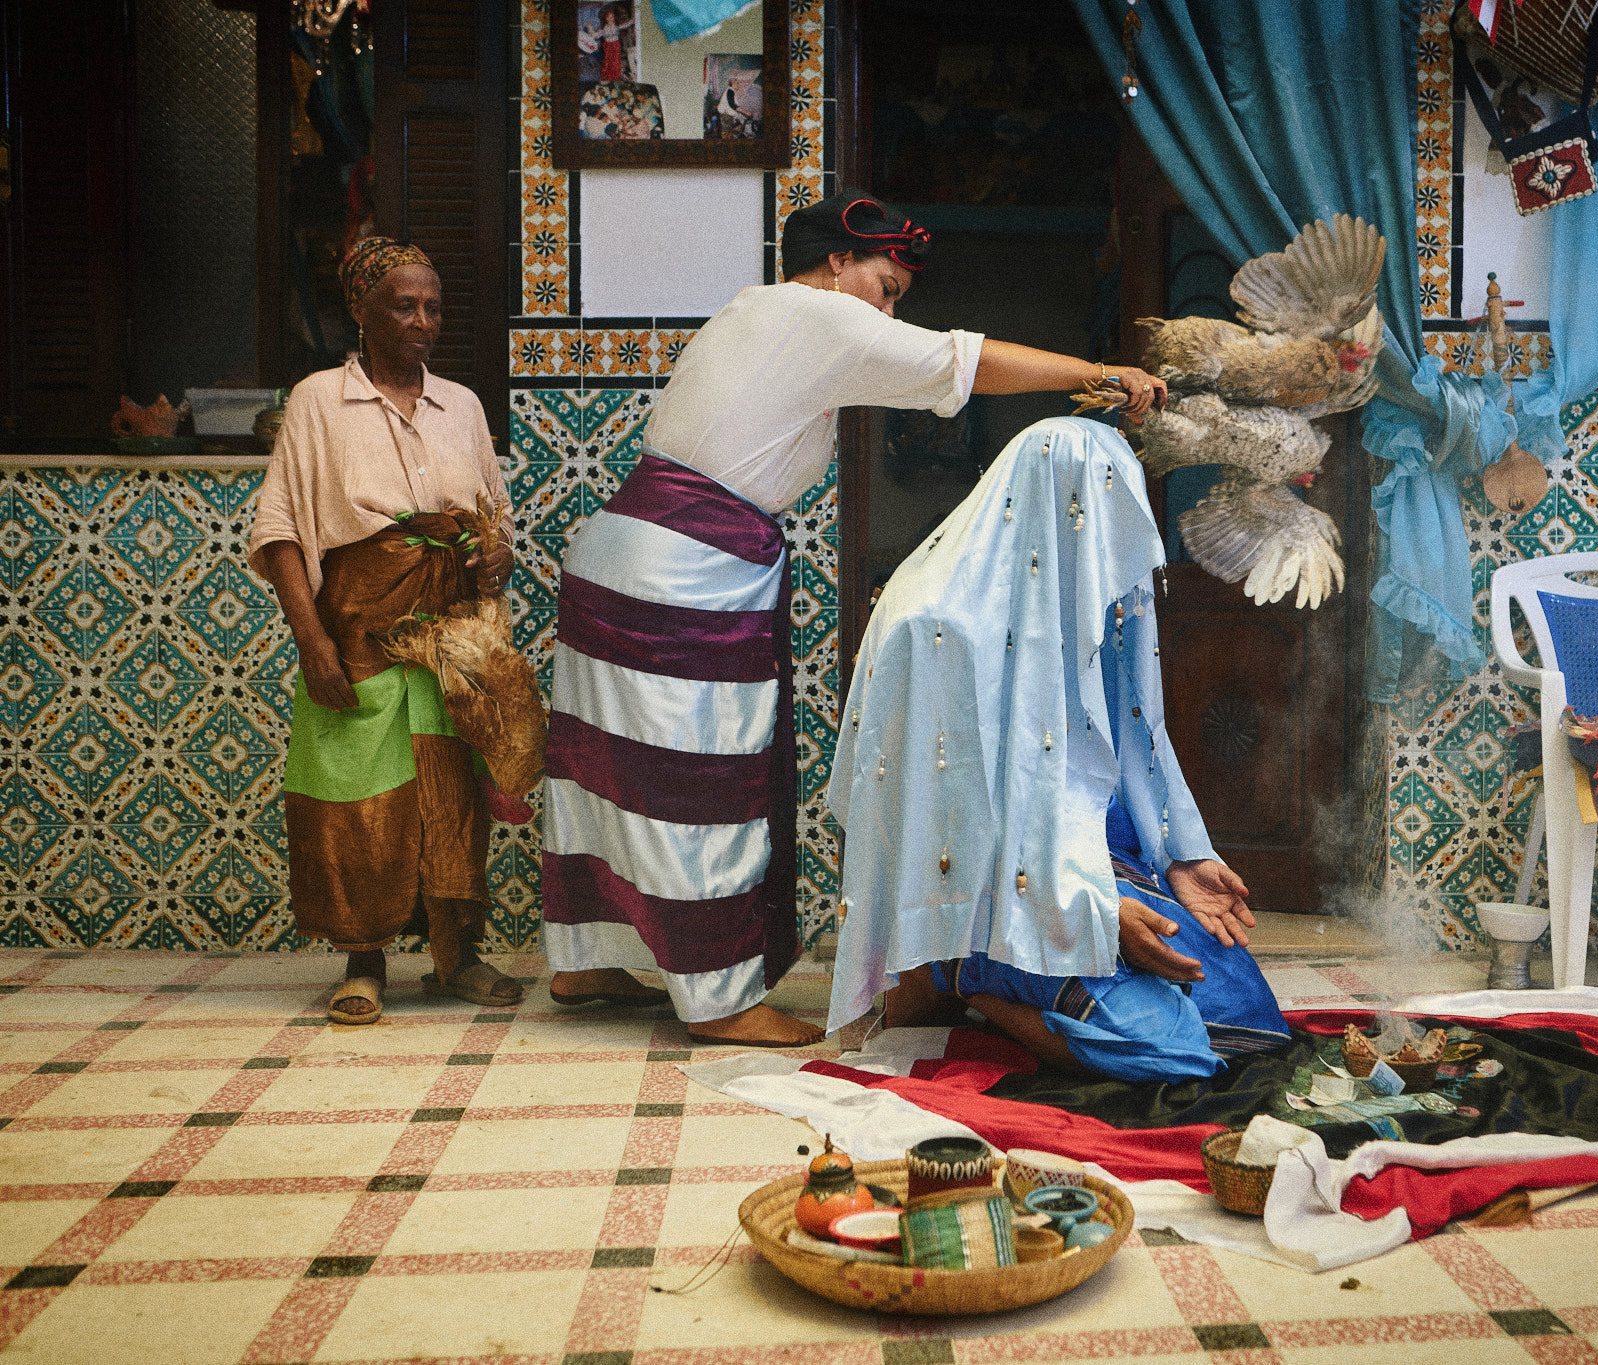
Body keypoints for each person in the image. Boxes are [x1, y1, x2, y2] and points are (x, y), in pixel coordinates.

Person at [542, 192, 1169, 1047]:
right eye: (885, 284)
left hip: (618, 554)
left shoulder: (751, 309)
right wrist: (1098, 375)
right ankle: (722, 1002)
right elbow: (962, 361)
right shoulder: (814, 312)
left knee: (609, 770)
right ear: (837, 260)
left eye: (898, 298)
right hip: (682, 572)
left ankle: (585, 956)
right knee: (701, 784)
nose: (887, 309)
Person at [826, 416, 1291, 1081]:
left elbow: (1135, 734)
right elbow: (934, 832)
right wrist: (1090, 914)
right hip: (977, 891)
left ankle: (1023, 969)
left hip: (1082, 861)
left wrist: (1178, 853)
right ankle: (964, 970)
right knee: (1170, 1051)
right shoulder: (933, 626)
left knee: (1247, 1018)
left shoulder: (1091, 595)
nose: (1109, 552)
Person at [249, 238, 521, 1026]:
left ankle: (456, 955)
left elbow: (496, 520)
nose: (423, 321)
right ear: (361, 311)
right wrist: (313, 643)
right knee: (358, 793)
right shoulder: (316, 402)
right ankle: (363, 958)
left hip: (450, 637)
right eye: (404, 305)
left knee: (449, 794)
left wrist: (496, 554)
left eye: (433, 306)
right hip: (359, 629)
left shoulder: (461, 406)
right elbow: (282, 532)